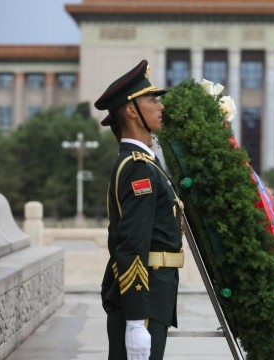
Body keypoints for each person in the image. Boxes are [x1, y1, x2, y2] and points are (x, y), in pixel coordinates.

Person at [95, 59, 185, 360]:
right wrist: (135, 321)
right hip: (143, 297)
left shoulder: (146, 164)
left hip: (153, 295)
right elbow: (131, 244)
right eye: (152, 99)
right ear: (132, 110)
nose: (160, 106)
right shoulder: (138, 169)